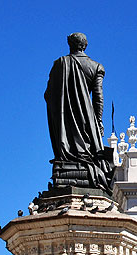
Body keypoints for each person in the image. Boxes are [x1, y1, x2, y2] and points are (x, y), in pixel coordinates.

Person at [44, 32, 113, 192]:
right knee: (88, 152)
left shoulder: (60, 64)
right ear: (85, 45)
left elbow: (48, 94)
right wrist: (98, 121)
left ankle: (67, 167)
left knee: (67, 147)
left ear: (70, 44)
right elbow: (98, 97)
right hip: (87, 119)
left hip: (64, 119)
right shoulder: (96, 66)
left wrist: (61, 105)